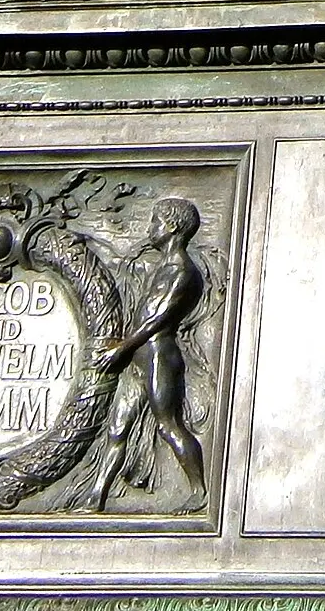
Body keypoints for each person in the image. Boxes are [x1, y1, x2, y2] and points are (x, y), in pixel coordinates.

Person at [84, 198, 210, 510]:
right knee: (116, 429)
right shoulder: (161, 267)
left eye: (155, 222)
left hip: (158, 356)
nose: (150, 229)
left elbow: (158, 319)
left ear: (172, 227)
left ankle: (199, 492)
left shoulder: (182, 272)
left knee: (168, 425)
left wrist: (123, 347)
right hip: (138, 358)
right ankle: (95, 497)